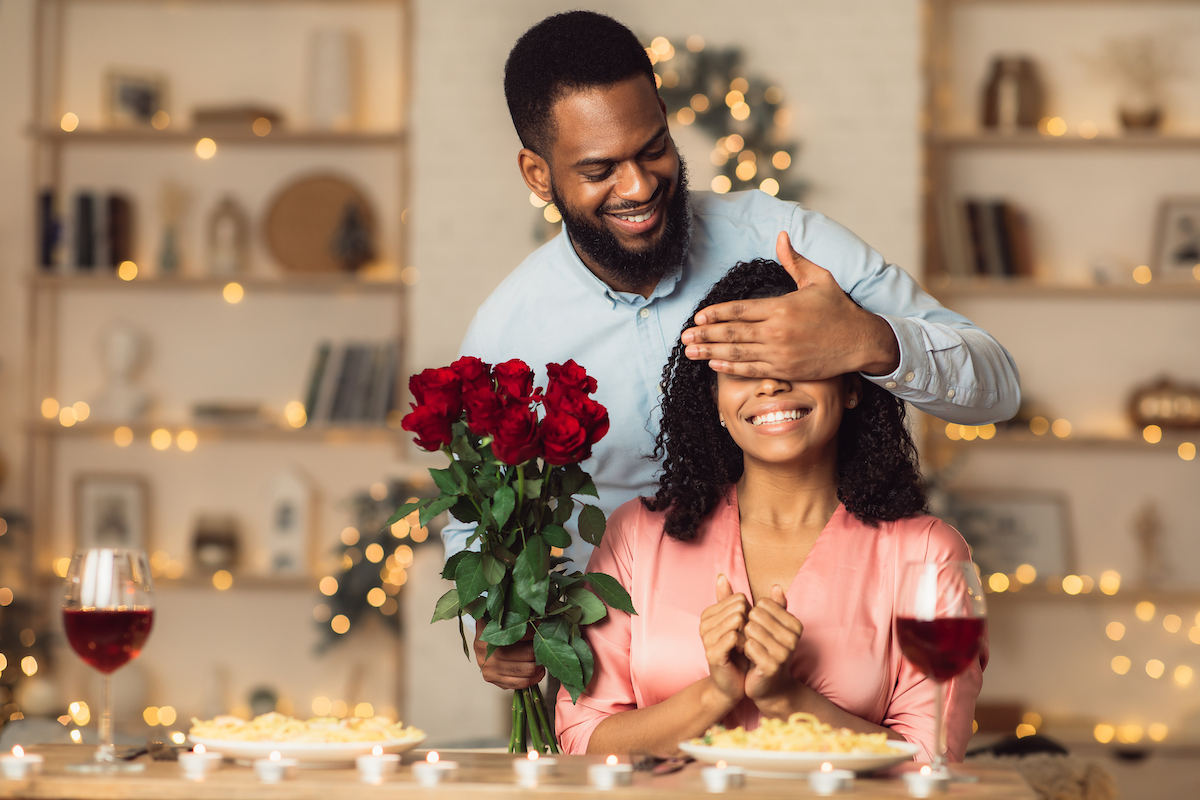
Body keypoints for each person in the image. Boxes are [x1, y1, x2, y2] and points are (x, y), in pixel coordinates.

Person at [446, 11, 1017, 692]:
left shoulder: (785, 240)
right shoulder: (508, 335)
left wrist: (864, 338)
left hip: (821, 652)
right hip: (619, 679)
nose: (637, 186)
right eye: (599, 169)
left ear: (663, 113)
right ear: (538, 175)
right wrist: (489, 623)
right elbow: (476, 520)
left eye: (652, 147)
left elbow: (997, 386)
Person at [554, 259, 987, 760]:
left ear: (851, 386)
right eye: (742, 368)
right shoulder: (635, 535)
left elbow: (934, 759)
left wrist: (788, 699)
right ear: (713, 400)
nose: (771, 384)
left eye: (798, 360)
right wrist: (715, 693)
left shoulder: (932, 554)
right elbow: (581, 739)